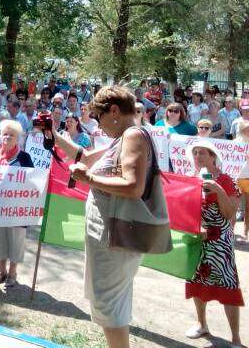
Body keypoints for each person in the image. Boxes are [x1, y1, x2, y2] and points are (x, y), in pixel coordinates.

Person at [49, 85, 164, 348]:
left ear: (113, 111)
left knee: (109, 305)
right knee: (110, 303)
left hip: (116, 235)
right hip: (110, 234)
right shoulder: (123, 137)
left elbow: (133, 187)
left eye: (99, 118)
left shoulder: (133, 136)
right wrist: (53, 135)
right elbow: (86, 157)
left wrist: (89, 179)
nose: (98, 127)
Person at [184, 140, 243, 347]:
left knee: (227, 284)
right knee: (195, 281)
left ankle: (235, 338)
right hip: (197, 239)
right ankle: (202, 324)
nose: (197, 157)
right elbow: (186, 210)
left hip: (220, 241)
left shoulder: (226, 181)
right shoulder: (192, 179)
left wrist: (218, 190)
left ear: (213, 156)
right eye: (195, 153)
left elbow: (229, 215)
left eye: (202, 153)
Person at [0, 120, 33, 287]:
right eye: (5, 134)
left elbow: (33, 182)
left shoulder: (24, 158)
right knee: (0, 238)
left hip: (17, 209)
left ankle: (12, 273)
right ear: (0, 136)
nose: (7, 137)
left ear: (18, 139)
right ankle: (1, 271)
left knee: (16, 241)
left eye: (11, 135)